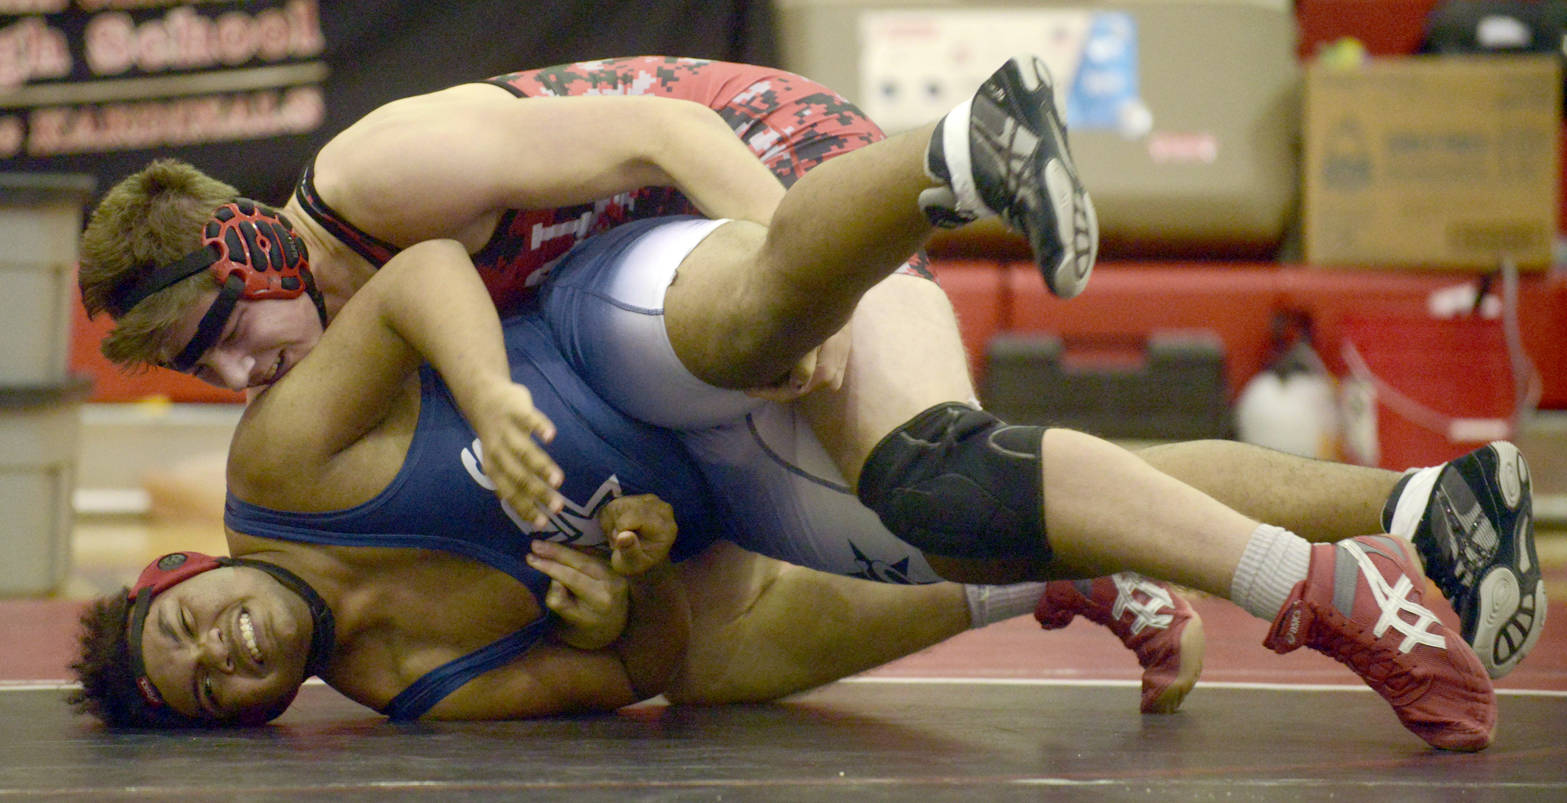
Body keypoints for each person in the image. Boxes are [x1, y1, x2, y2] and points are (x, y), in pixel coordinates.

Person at [76, 55, 1542, 683]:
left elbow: (659, 132)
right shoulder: (341, 320)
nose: (238, 374)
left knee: (863, 412)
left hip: (760, 178)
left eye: (218, 336)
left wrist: (789, 257)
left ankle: (950, 160)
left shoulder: (370, 174)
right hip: (705, 273)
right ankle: (1423, 507)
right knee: (971, 485)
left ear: (247, 248)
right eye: (205, 373)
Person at [70, 234, 1201, 726]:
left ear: (183, 572)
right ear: (254, 721)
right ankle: (1069, 573)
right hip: (720, 501)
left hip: (643, 355)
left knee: (947, 477)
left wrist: (491, 393)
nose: (226, 654)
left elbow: (422, 272)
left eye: (191, 631)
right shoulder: (425, 687)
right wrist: (624, 600)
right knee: (715, 668)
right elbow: (645, 664)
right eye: (214, 689)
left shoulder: (277, 468)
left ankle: (928, 172)